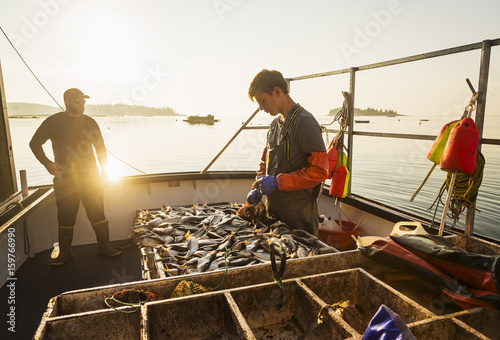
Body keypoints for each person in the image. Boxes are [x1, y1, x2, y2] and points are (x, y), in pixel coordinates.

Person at [30, 88, 121, 266]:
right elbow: (34, 143)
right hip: (65, 179)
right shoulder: (53, 122)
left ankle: (104, 246)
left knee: (97, 213)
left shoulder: (90, 122)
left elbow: (100, 149)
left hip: (91, 177)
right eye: (78, 101)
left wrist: (105, 171)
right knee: (65, 216)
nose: (82, 104)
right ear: (68, 101)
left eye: (84, 101)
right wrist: (47, 163)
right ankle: (65, 253)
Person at [246, 69, 328, 236]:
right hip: (274, 215)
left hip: (299, 218)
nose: (261, 108)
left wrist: (277, 182)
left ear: (277, 91)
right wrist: (257, 187)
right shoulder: (274, 125)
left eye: (263, 101)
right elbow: (265, 163)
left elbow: (319, 172)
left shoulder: (305, 123)